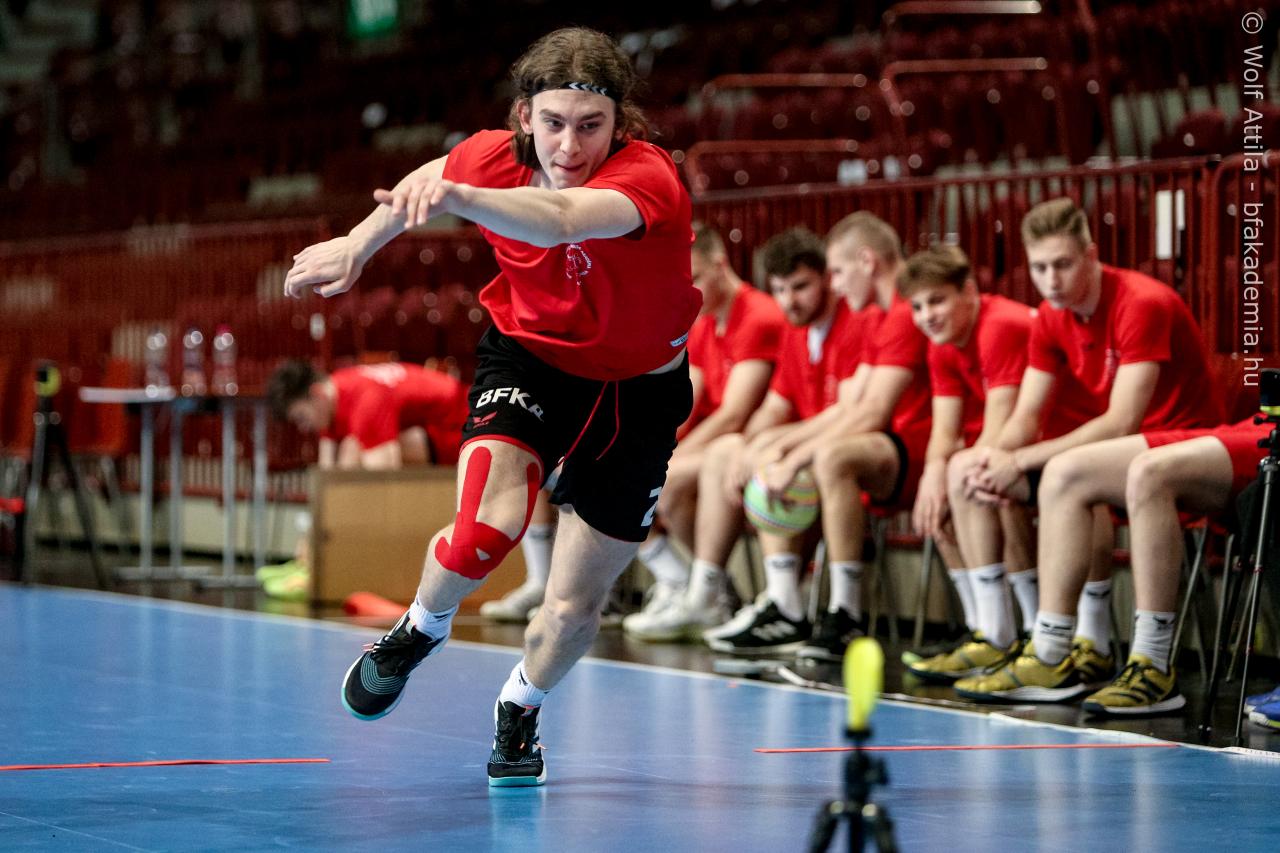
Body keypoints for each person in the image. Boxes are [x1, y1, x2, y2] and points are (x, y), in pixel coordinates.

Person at [282, 27, 700, 787]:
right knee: (486, 528)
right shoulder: (489, 156)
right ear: (524, 115)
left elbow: (564, 218)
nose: (569, 145)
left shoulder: (648, 178)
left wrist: (460, 198)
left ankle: (521, 702)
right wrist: (357, 243)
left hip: (638, 394)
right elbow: (431, 173)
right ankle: (419, 628)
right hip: (531, 360)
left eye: (591, 125)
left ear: (620, 123)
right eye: (553, 123)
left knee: (571, 609)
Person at [950, 197, 1223, 703]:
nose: (1050, 280)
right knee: (967, 467)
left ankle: (1060, 650)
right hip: (1120, 454)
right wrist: (993, 458)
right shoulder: (1051, 317)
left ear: (1092, 256)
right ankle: (1004, 635)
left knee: (1068, 473)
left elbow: (1122, 421)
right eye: (1039, 268)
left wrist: (1022, 459)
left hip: (1186, 447)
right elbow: (1027, 416)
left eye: (1063, 264)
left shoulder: (1141, 301)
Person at [635, 224, 881, 644]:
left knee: (728, 465)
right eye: (780, 289)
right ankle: (707, 591)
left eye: (800, 287)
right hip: (809, 449)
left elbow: (847, 412)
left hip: (851, 454)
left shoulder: (840, 321)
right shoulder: (793, 329)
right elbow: (771, 409)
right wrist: (750, 446)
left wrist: (770, 447)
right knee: (726, 454)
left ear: (827, 278)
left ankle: (751, 599)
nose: (789, 300)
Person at [706, 212, 922, 660]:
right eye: (779, 289)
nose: (837, 285)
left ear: (865, 262)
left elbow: (869, 412)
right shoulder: (878, 315)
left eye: (835, 273)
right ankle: (779, 602)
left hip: (908, 451)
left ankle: (844, 614)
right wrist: (768, 447)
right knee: (760, 453)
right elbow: (841, 409)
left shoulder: (886, 316)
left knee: (827, 458)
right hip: (886, 447)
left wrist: (793, 453)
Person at [623, 222, 785, 639]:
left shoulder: (759, 316)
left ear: (720, 264)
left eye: (695, 277)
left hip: (747, 446)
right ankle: (685, 584)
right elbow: (686, 403)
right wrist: (650, 446)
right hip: (713, 446)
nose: (689, 290)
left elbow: (735, 415)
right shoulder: (704, 320)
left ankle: (705, 592)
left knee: (662, 482)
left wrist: (670, 457)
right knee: (618, 472)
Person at [897, 245, 1038, 682]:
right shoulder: (941, 344)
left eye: (937, 301)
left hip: (1056, 440)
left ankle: (1030, 633)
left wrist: (954, 476)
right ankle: (986, 630)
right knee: (938, 502)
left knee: (983, 485)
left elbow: (1002, 427)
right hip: (1022, 446)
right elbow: (944, 430)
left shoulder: (1001, 326)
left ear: (970, 292)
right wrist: (932, 477)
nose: (927, 316)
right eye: (917, 307)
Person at [1070, 416, 1271, 715]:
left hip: (1256, 433)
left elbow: (1120, 418)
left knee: (1149, 472)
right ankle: (1048, 650)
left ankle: (1152, 661)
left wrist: (1017, 459)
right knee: (1064, 473)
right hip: (1252, 424)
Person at [267, 360, 470, 469]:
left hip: (464, 425)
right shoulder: (330, 395)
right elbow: (327, 470)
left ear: (317, 393)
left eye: (301, 417)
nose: (303, 427)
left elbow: (384, 478)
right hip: (439, 423)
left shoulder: (365, 404)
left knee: (353, 449)